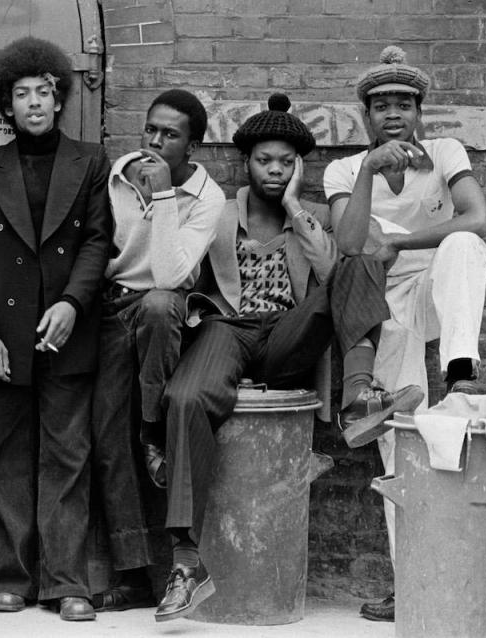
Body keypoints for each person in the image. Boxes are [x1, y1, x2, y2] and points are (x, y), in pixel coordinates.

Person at [155, 93, 419, 622]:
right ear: (245, 163)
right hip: (226, 330)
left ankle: (359, 398)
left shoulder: (316, 215)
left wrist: (297, 206)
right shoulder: (219, 212)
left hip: (288, 337)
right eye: (263, 161)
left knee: (360, 257)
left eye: (286, 162)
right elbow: (179, 273)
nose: (274, 171)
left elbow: (332, 279)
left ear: (299, 166)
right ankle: (186, 561)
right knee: (185, 397)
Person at [323, 47, 486, 622]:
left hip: (438, 289)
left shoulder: (444, 151)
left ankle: (461, 372)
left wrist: (400, 243)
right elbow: (349, 247)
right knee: (399, 438)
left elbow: (476, 220)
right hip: (385, 305)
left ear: (419, 110)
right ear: (365, 116)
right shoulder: (345, 169)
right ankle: (412, 578)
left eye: (403, 103)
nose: (392, 114)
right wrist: (370, 168)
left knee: (463, 246)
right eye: (380, 106)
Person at [0, 37, 112, 622]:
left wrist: (74, 302)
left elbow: (98, 240)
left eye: (43, 92)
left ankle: (67, 582)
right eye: (20, 95)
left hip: (69, 332)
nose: (34, 104)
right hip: (5, 334)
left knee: (68, 456)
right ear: (6, 105)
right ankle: (9, 579)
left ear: (59, 97)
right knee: (3, 458)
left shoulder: (90, 161)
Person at [90, 89, 224, 612]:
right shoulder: (118, 177)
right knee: (107, 440)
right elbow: (101, 251)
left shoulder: (208, 197)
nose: (154, 142)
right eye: (150, 130)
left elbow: (171, 274)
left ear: (192, 145)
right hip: (112, 310)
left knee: (159, 301)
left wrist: (165, 196)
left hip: (165, 318)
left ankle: (152, 428)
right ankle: (133, 576)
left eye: (170, 135)